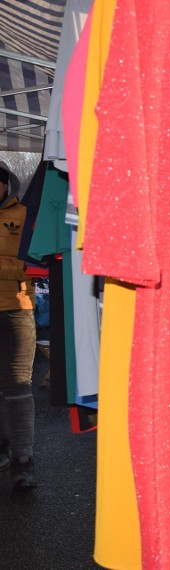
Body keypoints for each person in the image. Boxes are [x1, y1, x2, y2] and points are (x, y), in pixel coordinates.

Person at [0, 161, 37, 489]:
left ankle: (23, 459)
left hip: (16, 309)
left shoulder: (24, 215)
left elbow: (34, 263)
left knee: (17, 385)